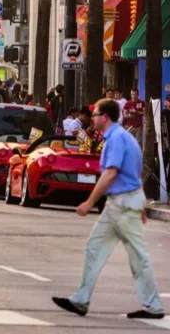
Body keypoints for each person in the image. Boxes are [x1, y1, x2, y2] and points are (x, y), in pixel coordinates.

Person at [53, 98, 164, 320]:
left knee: (136, 256)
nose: (92, 119)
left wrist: (89, 202)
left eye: (95, 115)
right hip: (121, 204)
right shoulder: (124, 138)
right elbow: (133, 175)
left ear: (105, 117)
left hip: (121, 206)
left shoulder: (115, 139)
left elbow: (110, 173)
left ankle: (152, 306)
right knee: (96, 248)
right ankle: (81, 299)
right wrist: (140, 205)